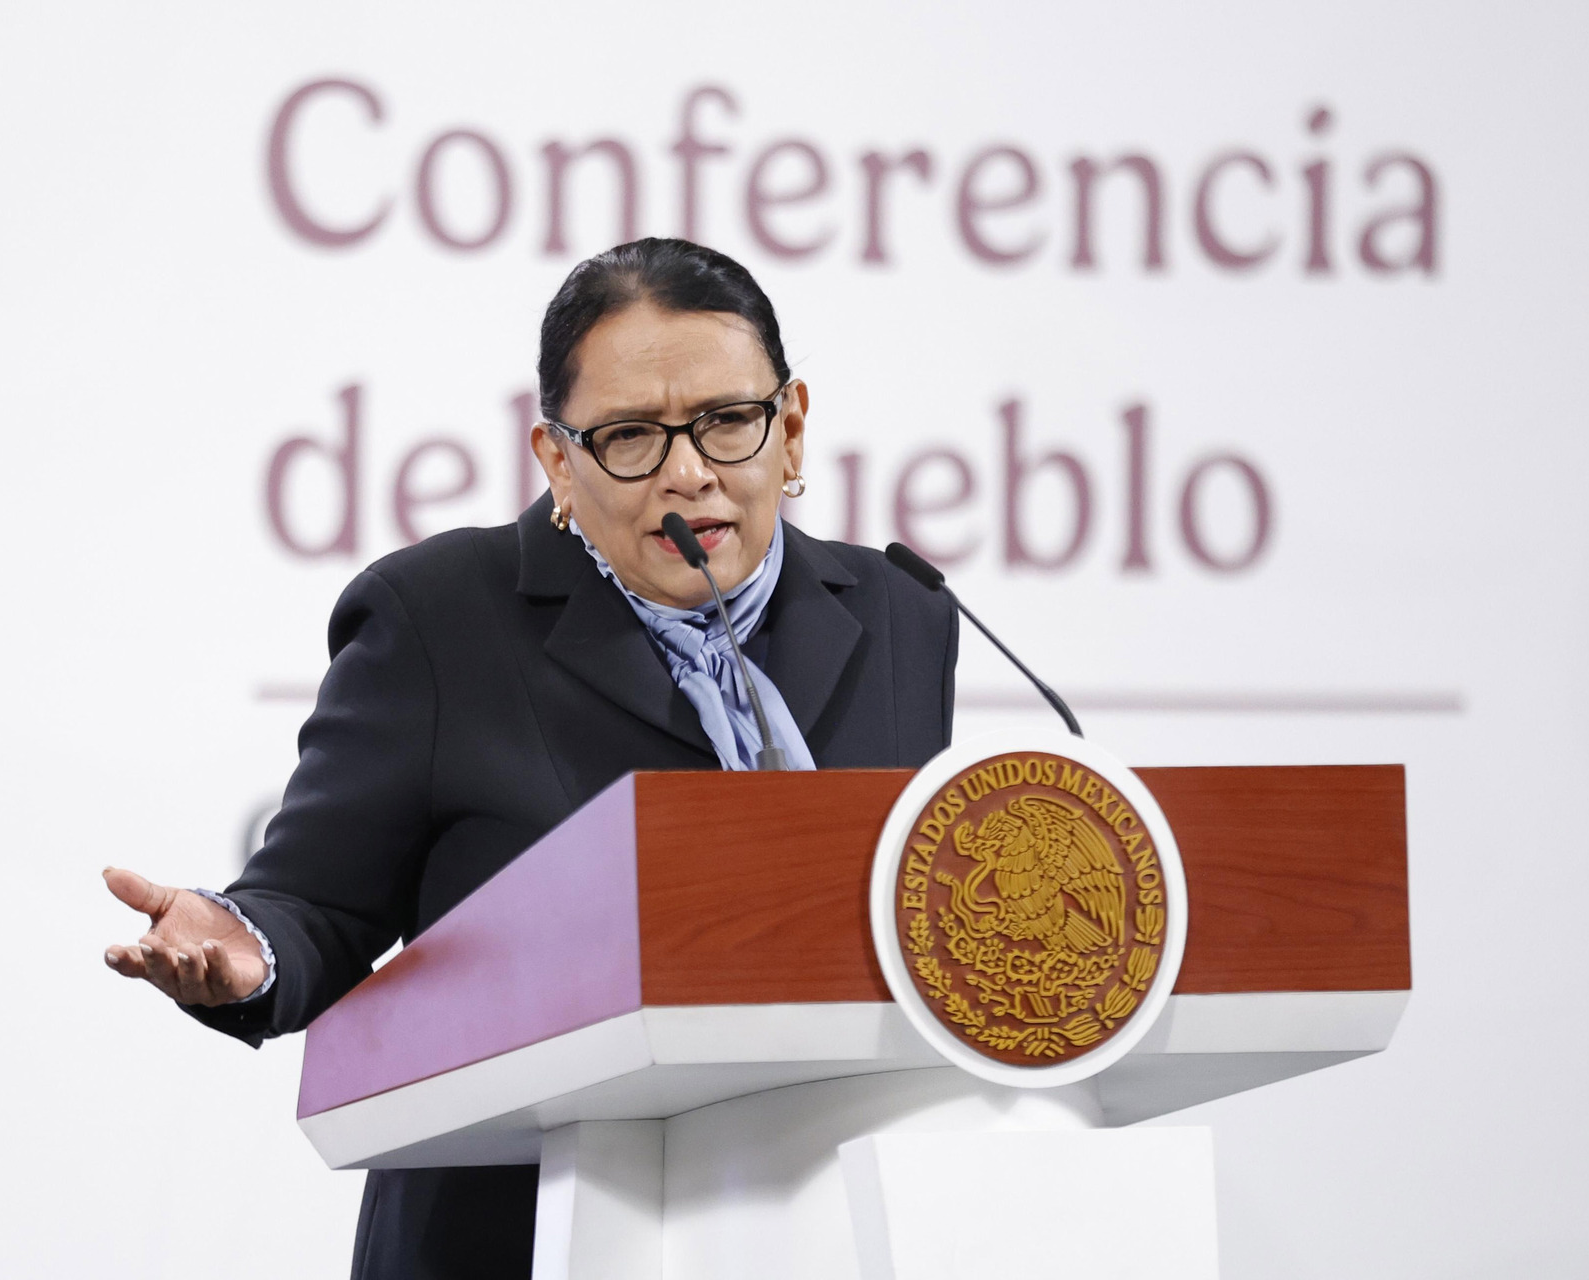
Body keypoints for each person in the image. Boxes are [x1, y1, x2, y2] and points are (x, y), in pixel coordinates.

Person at [99, 238, 959, 1279]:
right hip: (508, 1234)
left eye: (729, 420)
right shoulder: (440, 618)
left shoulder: (901, 615)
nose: (690, 471)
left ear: (792, 428)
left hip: (809, 1227)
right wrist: (249, 946)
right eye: (632, 436)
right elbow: (316, 901)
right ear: (557, 460)